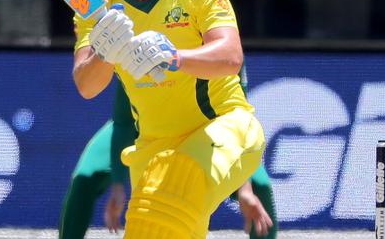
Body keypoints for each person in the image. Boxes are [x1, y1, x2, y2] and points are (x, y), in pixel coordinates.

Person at [72, 0, 266, 238]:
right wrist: (106, 51)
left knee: (177, 182)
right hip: (154, 145)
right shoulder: (98, 5)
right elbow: (86, 86)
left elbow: (231, 56)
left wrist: (174, 57)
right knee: (154, 227)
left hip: (225, 126)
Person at [58, 79, 278, 239]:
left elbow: (234, 117)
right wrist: (117, 183)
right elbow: (124, 123)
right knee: (84, 178)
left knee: (259, 185)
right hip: (145, 128)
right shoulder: (134, 41)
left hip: (203, 126)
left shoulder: (219, 37)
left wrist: (245, 190)